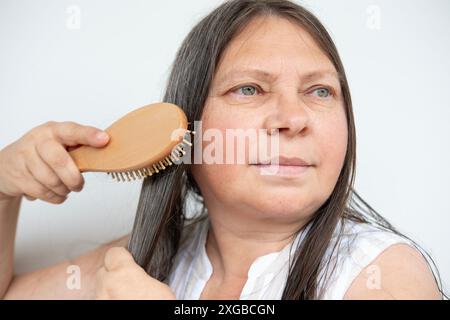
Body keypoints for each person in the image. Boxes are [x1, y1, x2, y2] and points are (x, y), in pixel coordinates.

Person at [0, 0, 445, 299]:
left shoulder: (386, 276)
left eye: (321, 92)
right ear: (185, 137)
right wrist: (3, 188)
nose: (294, 118)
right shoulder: (148, 258)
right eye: (249, 89)